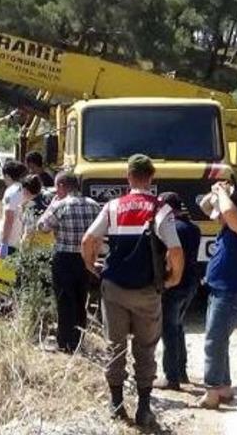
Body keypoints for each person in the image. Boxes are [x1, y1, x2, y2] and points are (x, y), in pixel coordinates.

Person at [80, 154, 184, 428]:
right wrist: (174, 278)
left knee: (115, 347)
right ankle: (144, 409)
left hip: (113, 288)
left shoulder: (113, 206)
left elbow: (88, 239)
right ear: (151, 178)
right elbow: (175, 249)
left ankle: (116, 405)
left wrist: (92, 265)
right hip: (147, 291)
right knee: (145, 349)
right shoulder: (160, 209)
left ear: (128, 177)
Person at [198, 181, 237, 409]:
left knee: (214, 342)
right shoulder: (228, 227)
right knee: (220, 341)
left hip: (229, 296)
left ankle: (212, 391)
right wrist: (214, 191)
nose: (217, 217)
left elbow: (228, 211)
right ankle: (224, 387)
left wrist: (224, 194)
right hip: (222, 293)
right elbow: (205, 207)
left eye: (221, 212)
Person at [36, 171, 99, 353]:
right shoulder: (94, 205)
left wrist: (51, 206)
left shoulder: (61, 206)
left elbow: (42, 227)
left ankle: (65, 342)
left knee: (65, 300)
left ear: (62, 186)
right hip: (86, 258)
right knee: (81, 299)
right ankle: (79, 339)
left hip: (64, 258)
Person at [153, 192, 201, 391]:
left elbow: (169, 257)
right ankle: (181, 372)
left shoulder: (173, 229)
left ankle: (171, 377)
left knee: (169, 330)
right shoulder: (194, 229)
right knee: (178, 326)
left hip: (175, 284)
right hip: (191, 283)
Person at [0, 160, 28, 258]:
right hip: (16, 239)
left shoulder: (11, 191)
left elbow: (9, 218)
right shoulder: (22, 189)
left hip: (7, 240)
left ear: (8, 176)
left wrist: (4, 243)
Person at [21, 174, 53, 248]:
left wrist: (23, 246)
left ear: (26, 190)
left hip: (36, 245)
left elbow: (28, 232)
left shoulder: (31, 207)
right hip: (50, 244)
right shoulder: (48, 200)